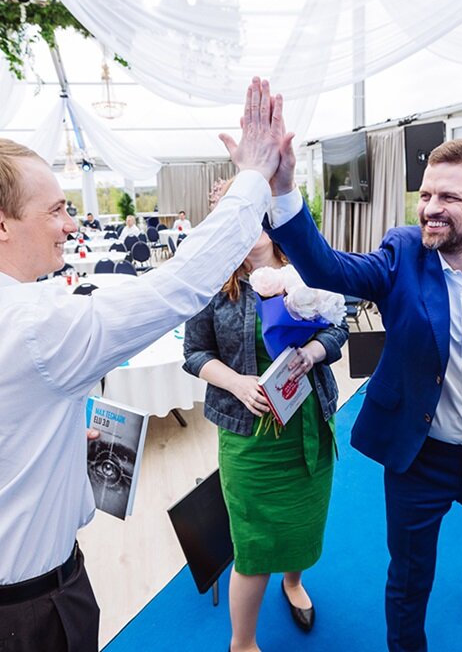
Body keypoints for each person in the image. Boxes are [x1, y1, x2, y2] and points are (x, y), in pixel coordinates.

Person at [0, 77, 288, 652]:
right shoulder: (35, 328)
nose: (71, 224)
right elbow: (182, 284)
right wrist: (255, 176)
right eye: (57, 209)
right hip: (27, 612)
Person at [266, 137, 462, 651]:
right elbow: (328, 271)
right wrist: (284, 189)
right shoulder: (403, 252)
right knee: (409, 575)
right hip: (417, 452)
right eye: (425, 195)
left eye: (449, 198)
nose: (430, 208)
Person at [183, 231, 347, 652]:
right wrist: (237, 383)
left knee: (303, 521)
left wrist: (312, 353)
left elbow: (339, 325)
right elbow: (194, 352)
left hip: (306, 422)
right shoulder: (212, 278)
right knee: (254, 546)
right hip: (248, 433)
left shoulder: (306, 265)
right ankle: (243, 643)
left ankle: (293, 582)